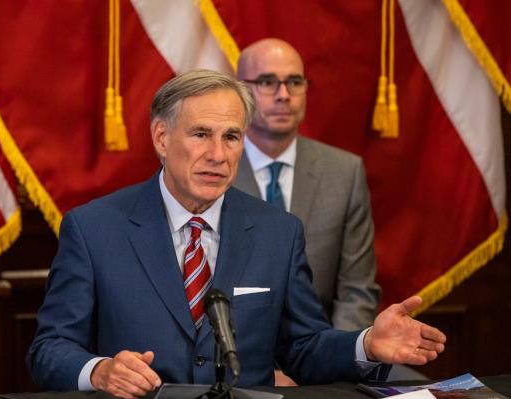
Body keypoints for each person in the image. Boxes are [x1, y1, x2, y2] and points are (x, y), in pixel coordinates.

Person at [27, 69, 446, 399]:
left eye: (231, 137)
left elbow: (303, 349)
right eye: (200, 134)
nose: (218, 155)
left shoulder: (277, 232)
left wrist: (367, 344)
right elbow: (50, 349)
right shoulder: (94, 228)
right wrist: (99, 371)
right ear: (161, 136)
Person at [234, 38, 380, 332]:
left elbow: (357, 291)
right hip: (233, 358)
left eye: (295, 82)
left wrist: (335, 359)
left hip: (320, 350)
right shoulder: (213, 171)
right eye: (267, 82)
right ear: (240, 92)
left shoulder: (344, 172)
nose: (283, 95)